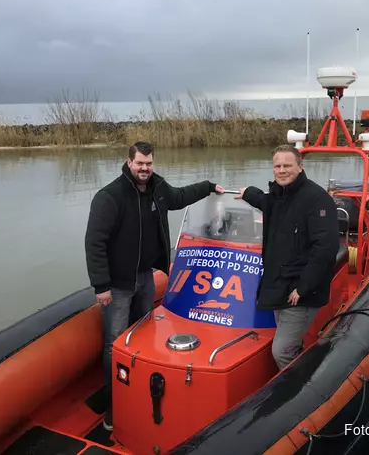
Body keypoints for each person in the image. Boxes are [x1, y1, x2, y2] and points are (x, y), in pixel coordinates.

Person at [85, 141, 224, 431]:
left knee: (145, 335)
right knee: (115, 343)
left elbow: (181, 196)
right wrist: (101, 286)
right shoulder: (109, 197)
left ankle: (140, 391)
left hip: (146, 277)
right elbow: (94, 242)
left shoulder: (158, 188)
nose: (145, 169)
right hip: (119, 284)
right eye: (140, 164)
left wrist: (209, 186)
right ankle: (114, 405)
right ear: (129, 162)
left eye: (149, 164)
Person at [236, 144, 338, 369]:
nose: (282, 170)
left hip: (299, 291)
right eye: (277, 166)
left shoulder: (316, 199)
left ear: (300, 167)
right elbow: (265, 202)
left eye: (287, 165)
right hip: (280, 284)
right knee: (288, 344)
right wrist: (246, 193)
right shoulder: (278, 197)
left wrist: (303, 287)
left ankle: (300, 391)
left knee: (282, 351)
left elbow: (326, 247)